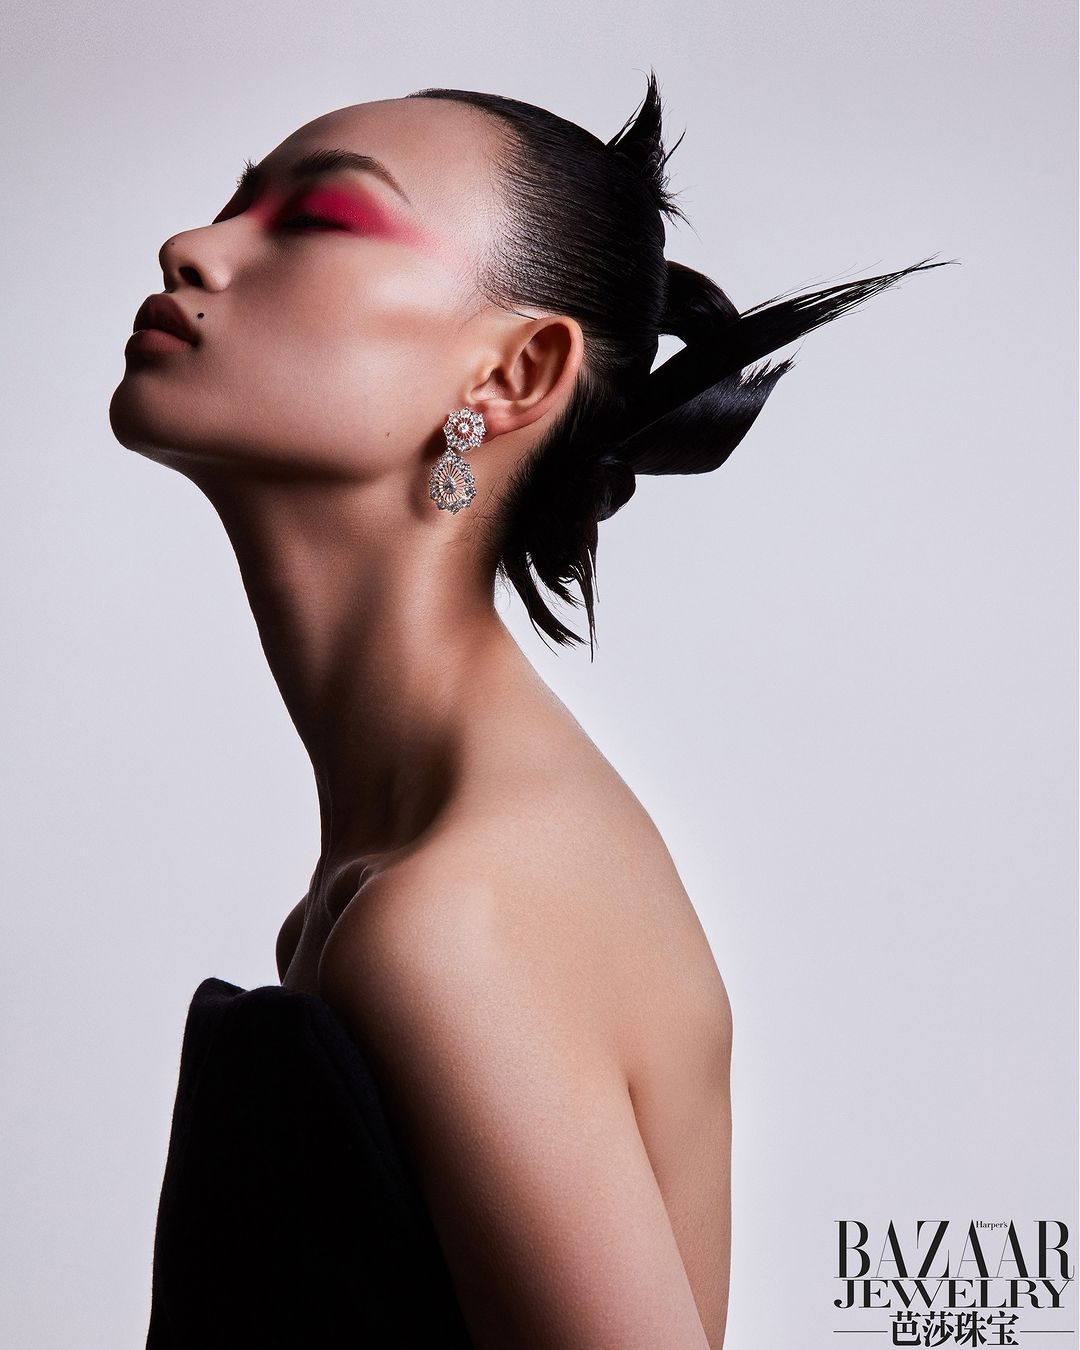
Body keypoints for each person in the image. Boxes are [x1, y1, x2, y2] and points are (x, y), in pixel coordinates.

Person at [110, 70, 950, 1349]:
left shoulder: (459, 917)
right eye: (234, 206)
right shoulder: (439, 863)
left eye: (320, 219)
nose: (194, 245)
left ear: (511, 376)